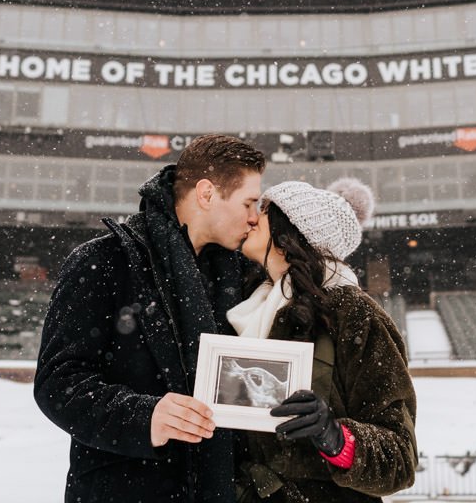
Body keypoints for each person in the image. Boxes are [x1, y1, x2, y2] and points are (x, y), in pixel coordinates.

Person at [34, 134, 266, 503]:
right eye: (249, 203)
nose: (255, 218)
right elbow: (57, 384)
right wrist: (144, 417)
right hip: (121, 490)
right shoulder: (104, 262)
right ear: (206, 194)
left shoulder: (243, 277)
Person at [229, 178, 417, 503]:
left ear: (289, 235)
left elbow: (400, 458)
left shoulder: (354, 313)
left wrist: (335, 437)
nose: (252, 218)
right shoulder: (245, 305)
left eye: (264, 211)